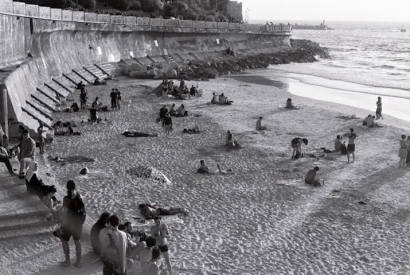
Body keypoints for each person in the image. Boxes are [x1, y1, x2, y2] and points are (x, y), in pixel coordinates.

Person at [59, 180, 86, 267]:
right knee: (77, 242)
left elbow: (65, 214)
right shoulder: (79, 197)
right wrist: (82, 222)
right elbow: (84, 211)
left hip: (69, 224)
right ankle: (78, 262)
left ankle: (67, 261)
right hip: (78, 223)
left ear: (67, 187)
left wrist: (62, 226)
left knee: (64, 240)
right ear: (75, 187)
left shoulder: (66, 199)